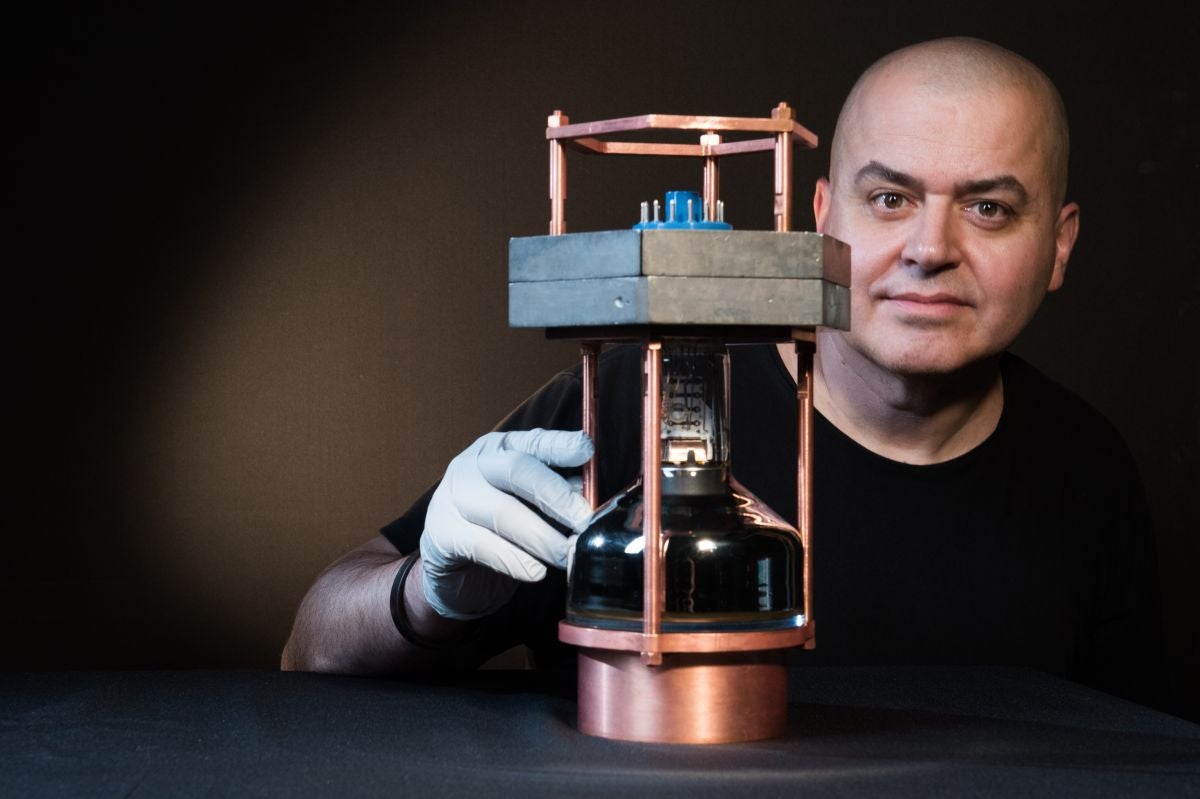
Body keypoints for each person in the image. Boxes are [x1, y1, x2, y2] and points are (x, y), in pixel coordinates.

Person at [281, 37, 1164, 704]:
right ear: (819, 217)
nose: (930, 249)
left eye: (990, 208)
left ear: (1060, 244)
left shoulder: (1086, 467)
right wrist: (424, 596)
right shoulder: (642, 392)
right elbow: (309, 648)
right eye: (889, 198)